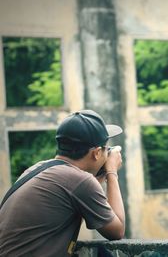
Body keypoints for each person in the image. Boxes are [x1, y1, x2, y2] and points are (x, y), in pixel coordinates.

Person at [0, 110, 126, 256]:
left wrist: (98, 176)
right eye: (106, 149)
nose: (107, 154)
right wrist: (112, 172)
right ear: (97, 153)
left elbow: (79, 196)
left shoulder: (37, 169)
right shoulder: (80, 181)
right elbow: (117, 230)